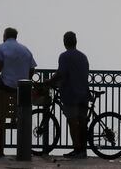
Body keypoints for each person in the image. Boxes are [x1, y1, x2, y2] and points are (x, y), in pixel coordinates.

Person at [43, 31, 89, 159]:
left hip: (71, 94)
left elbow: (61, 73)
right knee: (82, 122)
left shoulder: (64, 56)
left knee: (72, 122)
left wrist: (50, 81)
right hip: (84, 93)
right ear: (76, 41)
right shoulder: (83, 56)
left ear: (64, 42)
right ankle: (83, 151)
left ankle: (77, 149)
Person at [0, 27, 36, 91]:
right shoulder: (25, 49)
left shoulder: (1, 47)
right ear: (15, 36)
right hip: (22, 86)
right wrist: (26, 81)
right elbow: (32, 69)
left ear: (5, 36)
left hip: (7, 84)